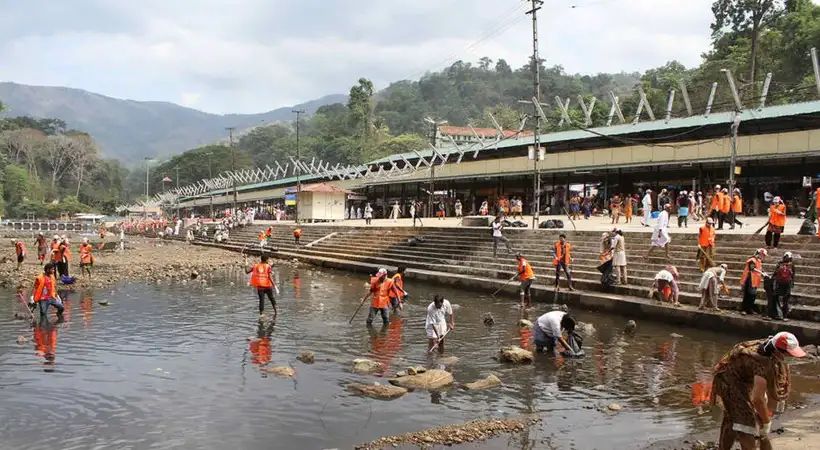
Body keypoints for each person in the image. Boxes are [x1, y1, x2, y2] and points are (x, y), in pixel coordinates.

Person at [711, 332, 806, 450]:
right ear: (777, 351)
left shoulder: (772, 352)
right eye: (789, 354)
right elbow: (758, 399)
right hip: (728, 379)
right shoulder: (762, 362)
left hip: (745, 378)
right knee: (746, 423)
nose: (792, 358)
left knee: (733, 417)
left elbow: (771, 394)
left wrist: (764, 418)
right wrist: (766, 423)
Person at [740, 248, 767, 315]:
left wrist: (764, 273)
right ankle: (744, 309)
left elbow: (759, 268)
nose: (764, 256)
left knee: (752, 296)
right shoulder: (752, 260)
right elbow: (752, 268)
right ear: (760, 253)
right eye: (763, 255)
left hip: (754, 281)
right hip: (749, 280)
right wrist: (762, 272)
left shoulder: (758, 261)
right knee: (748, 295)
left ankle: (749, 309)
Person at [771, 252, 795, 321]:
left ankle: (777, 314)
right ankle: (784, 316)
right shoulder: (791, 264)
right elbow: (793, 275)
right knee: (785, 300)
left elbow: (775, 273)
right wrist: (792, 283)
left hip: (779, 284)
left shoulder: (780, 263)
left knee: (775, 297)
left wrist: (772, 279)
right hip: (787, 284)